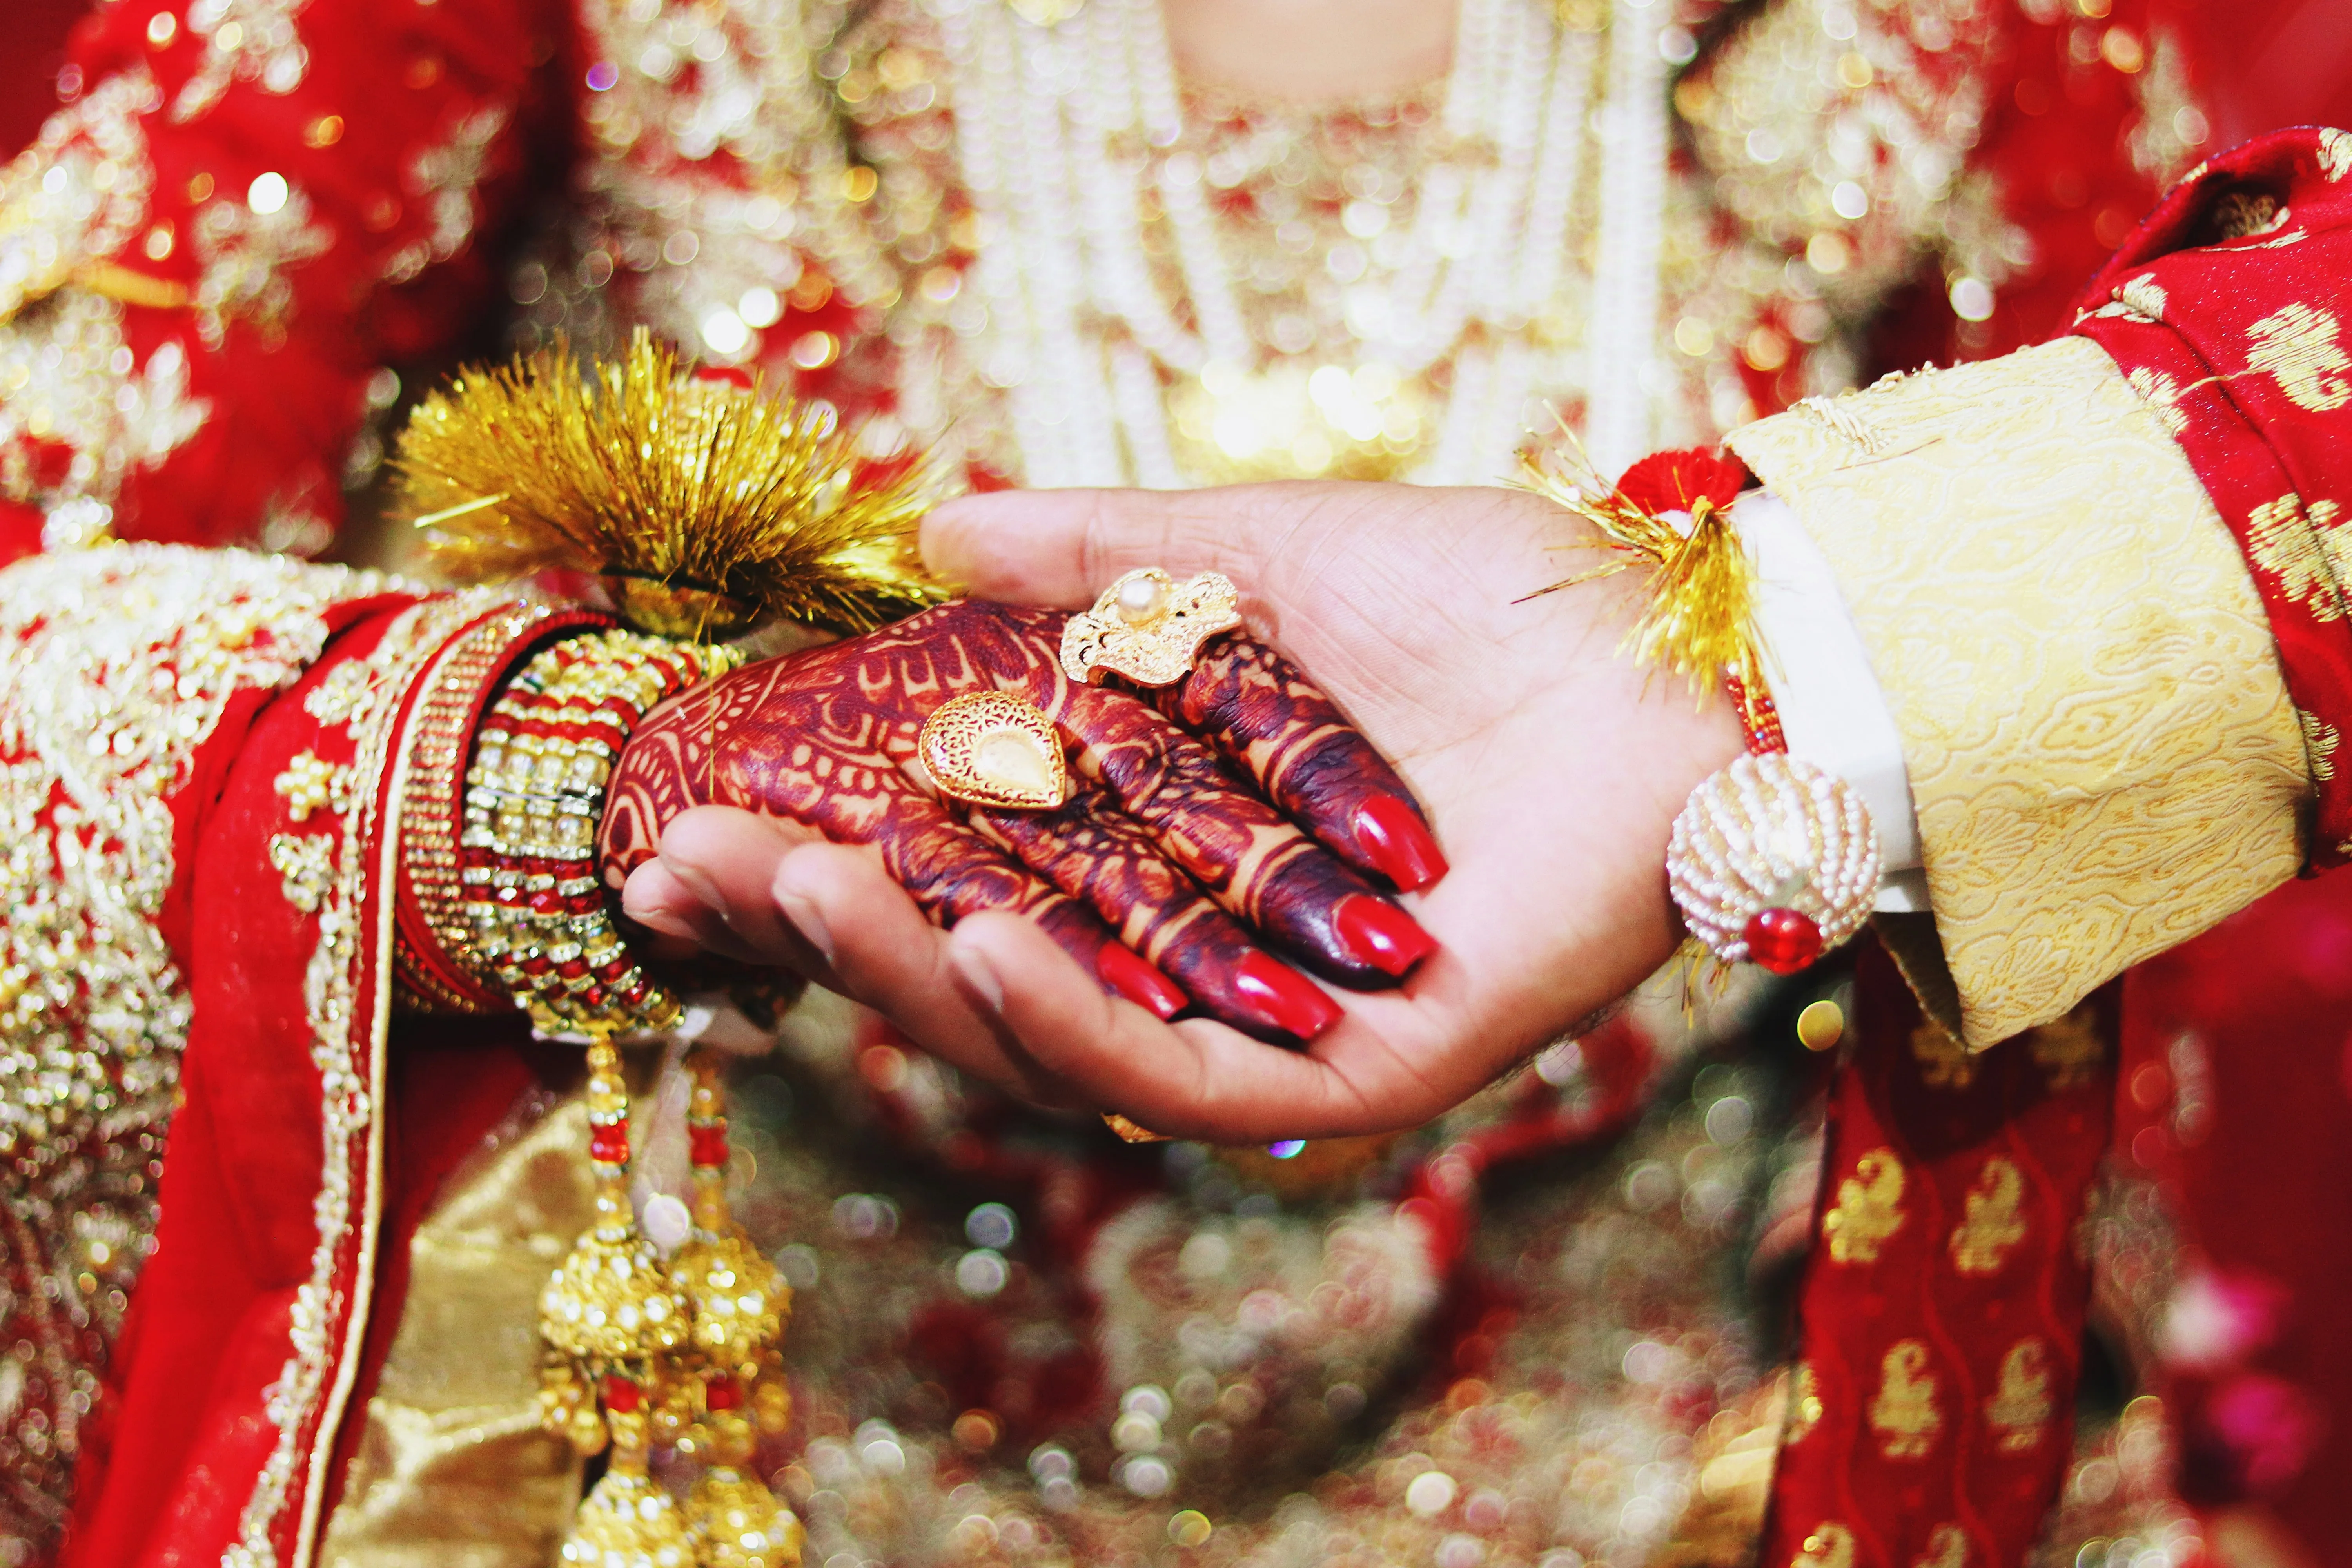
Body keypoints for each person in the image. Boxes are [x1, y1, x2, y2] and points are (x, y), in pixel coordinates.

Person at [2, 0, 2347, 1564]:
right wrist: (595, 761)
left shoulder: (1948, 38)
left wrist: (1769, 676)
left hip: (1675, 1476)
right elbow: (47, 645)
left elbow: (2104, 766)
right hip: (773, 1479)